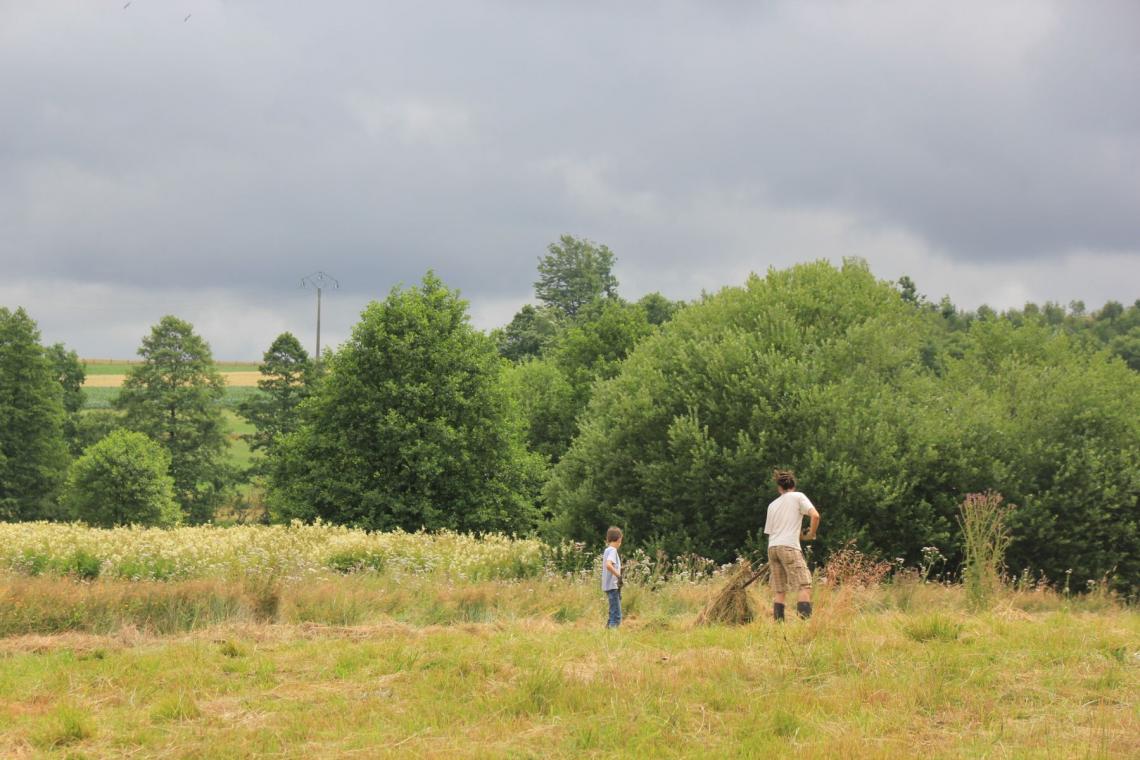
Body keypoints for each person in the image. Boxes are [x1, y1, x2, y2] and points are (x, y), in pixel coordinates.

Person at [764, 469, 820, 620]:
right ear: (793, 485)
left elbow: (772, 531)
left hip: (773, 548)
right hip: (789, 547)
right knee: (804, 585)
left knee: (780, 589)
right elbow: (815, 516)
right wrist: (811, 534)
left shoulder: (772, 505)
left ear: (779, 488)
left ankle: (779, 627)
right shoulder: (798, 496)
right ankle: (804, 626)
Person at [601, 526, 623, 628]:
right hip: (612, 586)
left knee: (612, 613)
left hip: (607, 586)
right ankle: (612, 637)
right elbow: (608, 565)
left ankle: (607, 633)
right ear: (619, 539)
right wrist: (618, 575)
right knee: (617, 616)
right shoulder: (613, 551)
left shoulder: (607, 550)